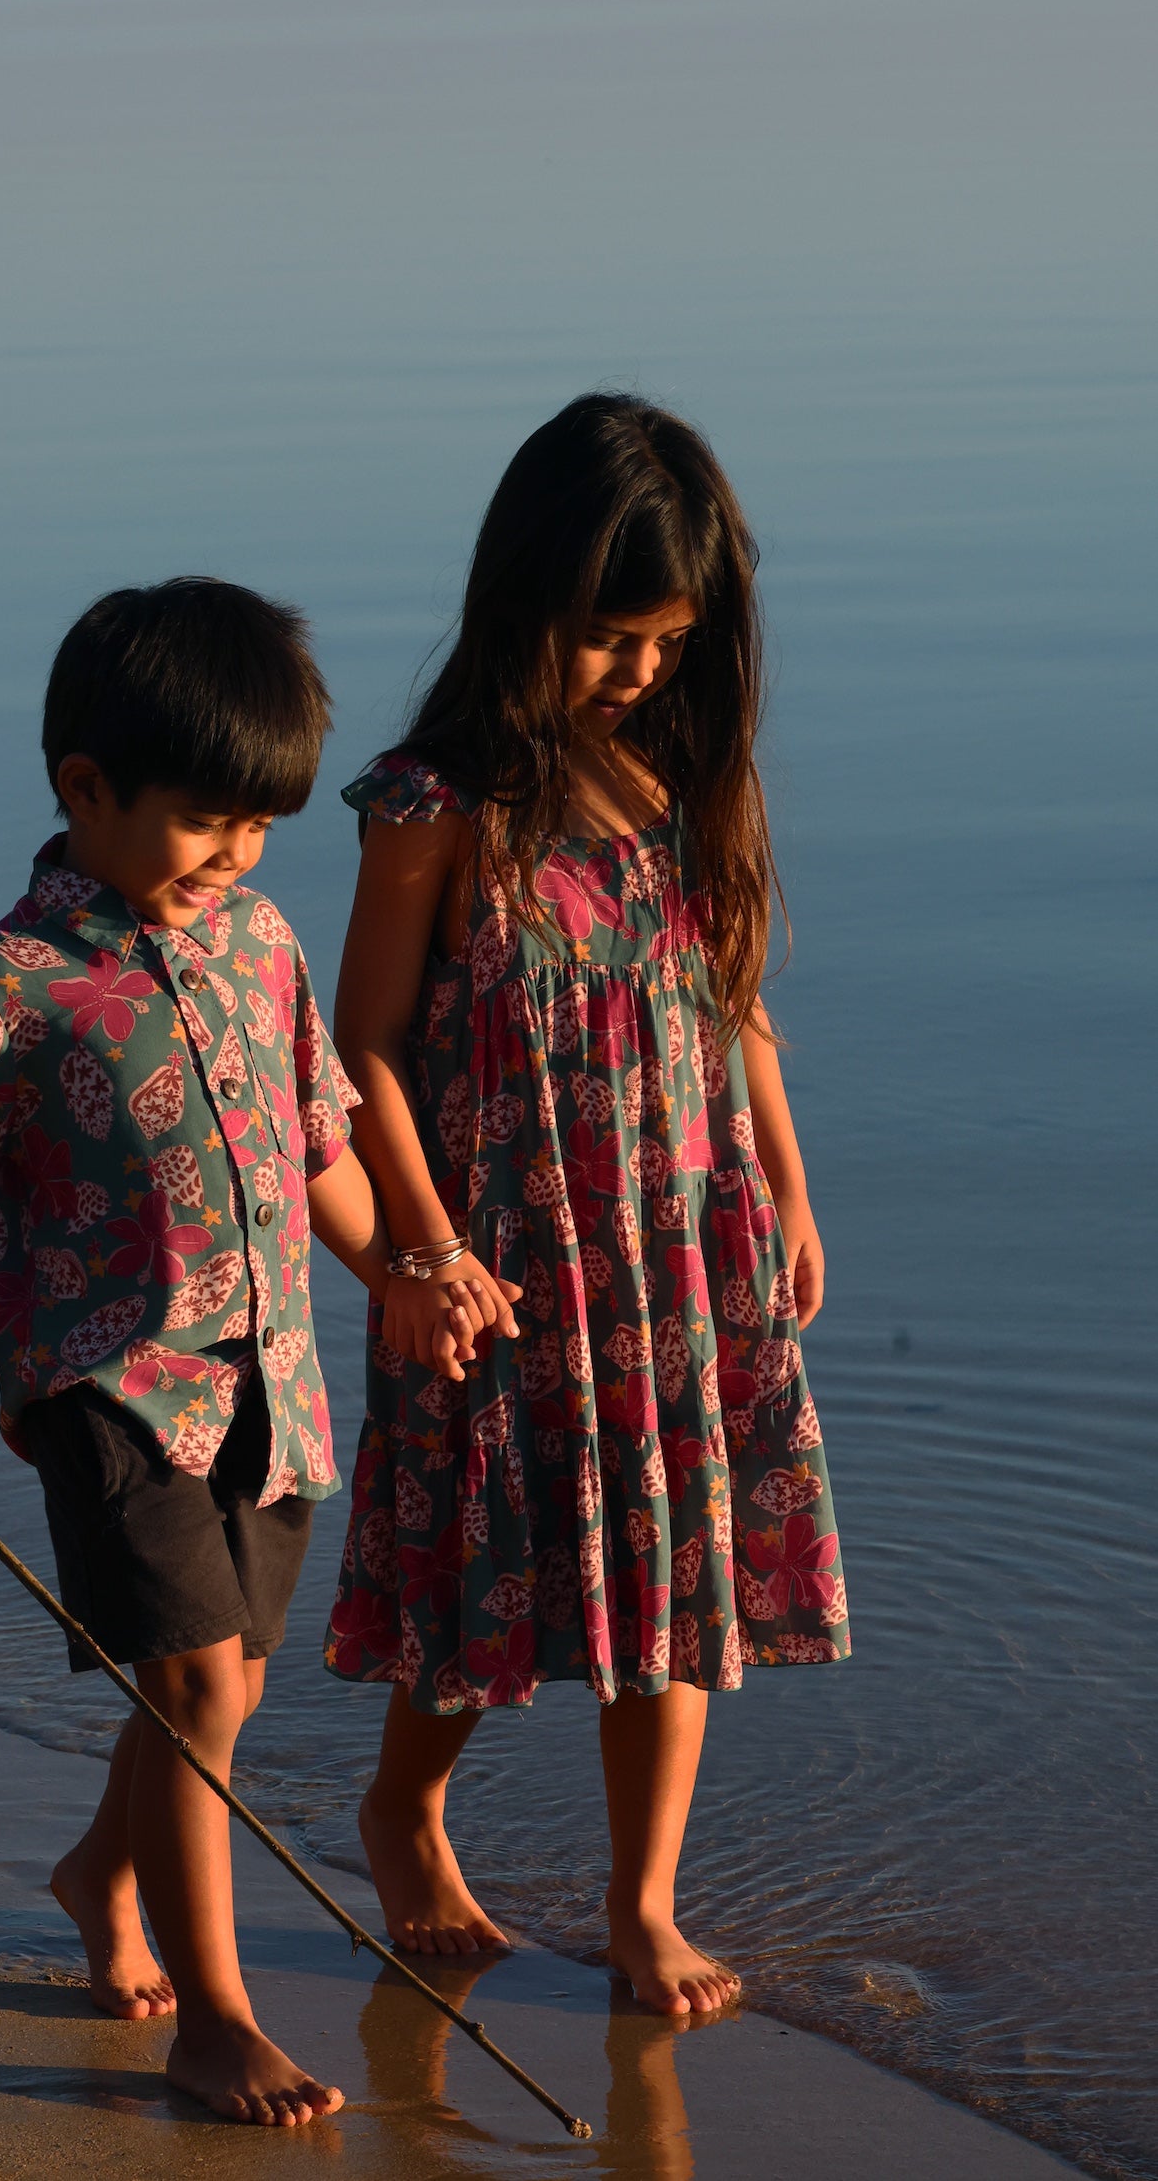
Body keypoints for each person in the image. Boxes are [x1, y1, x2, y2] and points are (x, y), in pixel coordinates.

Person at [0, 578, 500, 2125]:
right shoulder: (6, 986)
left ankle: (101, 1872)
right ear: (84, 789)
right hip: (109, 1393)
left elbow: (319, 1147)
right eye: (202, 821)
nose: (233, 854)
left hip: (271, 1388)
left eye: (257, 825)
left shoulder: (261, 939)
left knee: (218, 1689)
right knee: (199, 1685)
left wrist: (412, 1265)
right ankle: (215, 2021)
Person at [324, 395, 850, 2016]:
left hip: (683, 1243)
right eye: (610, 637)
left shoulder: (678, 780)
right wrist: (422, 1240)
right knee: (491, 1565)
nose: (636, 672)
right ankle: (406, 1809)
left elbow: (732, 997)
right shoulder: (438, 803)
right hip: (513, 1253)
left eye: (668, 642)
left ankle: (641, 1904)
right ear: (525, 599)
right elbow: (362, 1044)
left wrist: (784, 1173)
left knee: (678, 1574)